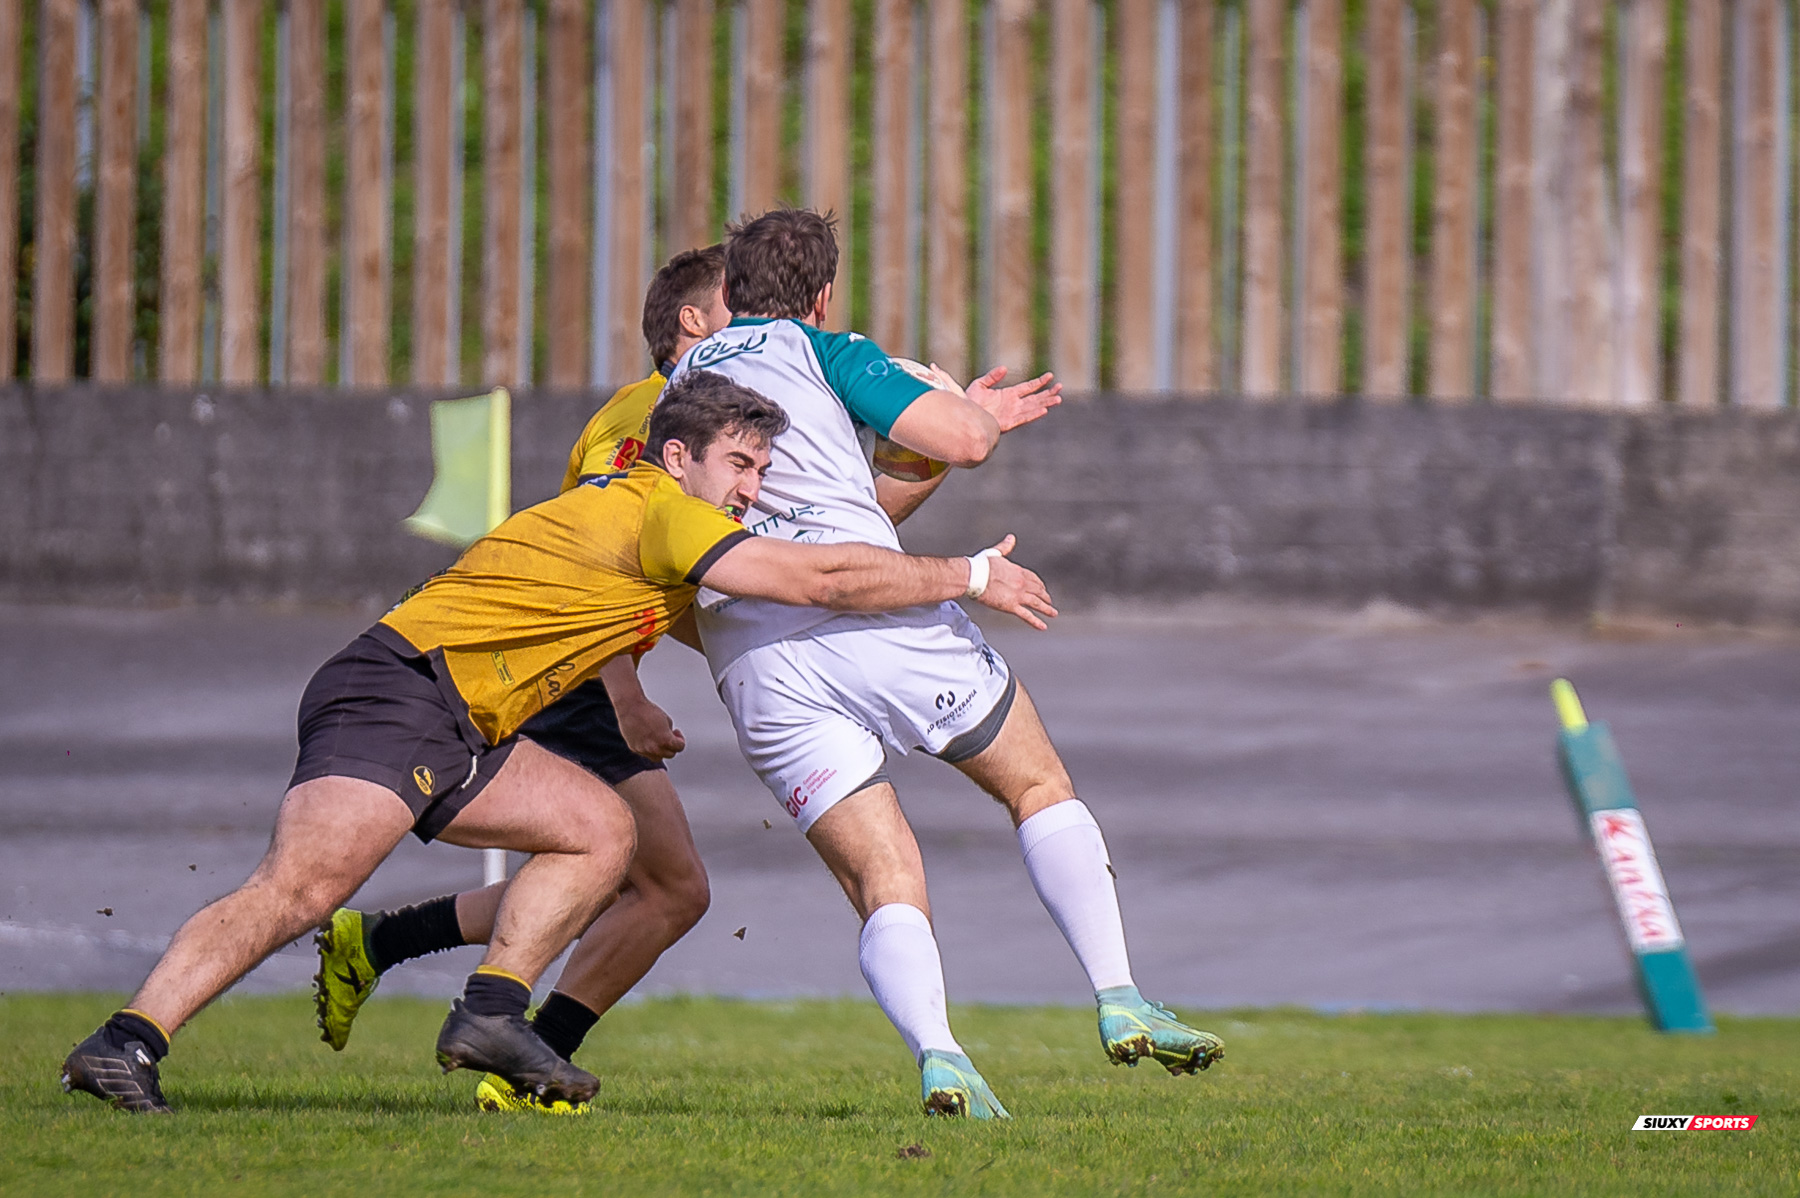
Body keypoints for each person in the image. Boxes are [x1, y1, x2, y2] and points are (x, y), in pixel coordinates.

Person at [61, 371, 1056, 1114]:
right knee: (301, 890)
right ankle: (123, 1040)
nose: (755, 487)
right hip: (401, 689)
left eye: (761, 469)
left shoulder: (671, 515)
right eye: (743, 466)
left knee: (597, 830)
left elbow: (844, 545)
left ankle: (491, 1012)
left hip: (464, 716)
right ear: (678, 459)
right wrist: (968, 577)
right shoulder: (663, 513)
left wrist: (933, 452)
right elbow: (824, 579)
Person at [666, 208, 1224, 1119]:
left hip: (752, 652)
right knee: (1038, 785)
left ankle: (942, 1056)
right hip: (879, 621)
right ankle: (1119, 993)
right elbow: (957, 440)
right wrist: (977, 418)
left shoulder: (676, 395)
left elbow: (848, 500)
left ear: (726, 292)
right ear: (823, 291)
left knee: (886, 875)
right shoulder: (826, 352)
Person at [311, 246, 736, 1112]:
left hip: (578, 665)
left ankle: (387, 948)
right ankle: (525, 1059)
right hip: (571, 671)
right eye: (744, 304)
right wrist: (626, 696)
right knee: (666, 885)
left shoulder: (704, 423)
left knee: (631, 879)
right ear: (692, 324)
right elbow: (593, 575)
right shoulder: (649, 418)